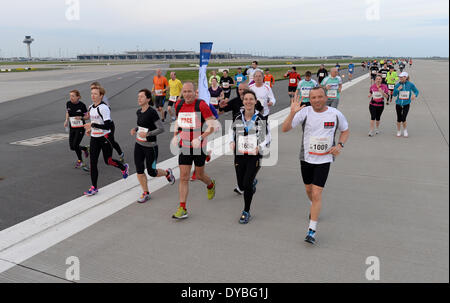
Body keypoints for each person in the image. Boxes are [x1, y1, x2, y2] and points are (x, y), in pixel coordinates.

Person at [282, 87, 349, 244]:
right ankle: (313, 206)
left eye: (320, 97)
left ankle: (311, 230)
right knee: (309, 190)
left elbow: (345, 131)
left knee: (317, 193)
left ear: (326, 97)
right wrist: (292, 112)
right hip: (306, 158)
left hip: (324, 160)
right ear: (309, 99)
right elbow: (284, 129)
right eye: (313, 97)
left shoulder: (335, 114)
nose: (317, 100)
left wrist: (339, 145)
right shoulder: (304, 113)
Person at [171, 82, 217, 219]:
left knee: (199, 174)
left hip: (199, 146)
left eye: (189, 91)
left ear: (194, 92)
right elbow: (179, 122)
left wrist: (201, 138)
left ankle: (210, 184)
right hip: (184, 146)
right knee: (184, 177)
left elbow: (212, 126)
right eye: (184, 92)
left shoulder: (201, 105)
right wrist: (175, 136)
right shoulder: (178, 104)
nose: (187, 94)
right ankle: (182, 207)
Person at [228, 90, 271, 224]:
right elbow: (231, 130)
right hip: (239, 154)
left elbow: (267, 137)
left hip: (254, 155)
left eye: (251, 99)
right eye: (246, 99)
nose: (248, 101)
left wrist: (261, 146)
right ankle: (251, 183)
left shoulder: (260, 118)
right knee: (241, 185)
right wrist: (231, 141)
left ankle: (246, 211)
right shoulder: (237, 116)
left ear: (255, 101)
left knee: (246, 185)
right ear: (243, 101)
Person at [131, 89, 175, 203]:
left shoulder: (152, 112)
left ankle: (167, 173)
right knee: (139, 170)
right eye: (138, 96)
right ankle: (146, 192)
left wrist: (148, 134)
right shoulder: (138, 112)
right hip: (139, 144)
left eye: (141, 96)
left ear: (148, 99)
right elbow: (142, 125)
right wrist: (135, 129)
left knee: (152, 172)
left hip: (151, 146)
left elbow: (161, 128)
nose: (139, 98)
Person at [83, 86, 129, 196]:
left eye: (95, 94)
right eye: (92, 93)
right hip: (94, 138)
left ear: (101, 96)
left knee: (107, 161)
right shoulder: (91, 107)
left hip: (104, 138)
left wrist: (92, 125)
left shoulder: (104, 108)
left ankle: (123, 167)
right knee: (93, 163)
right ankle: (94, 187)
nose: (92, 96)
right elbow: (94, 121)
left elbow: (108, 126)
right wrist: (90, 129)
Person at [89, 82, 125, 162]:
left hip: (108, 124)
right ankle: (108, 156)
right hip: (98, 127)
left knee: (111, 141)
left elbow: (107, 109)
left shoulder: (103, 99)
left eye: (94, 88)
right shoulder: (93, 101)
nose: (92, 92)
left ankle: (120, 153)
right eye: (91, 89)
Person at [64, 89, 89, 170]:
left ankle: (80, 161)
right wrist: (66, 120)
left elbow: (87, 116)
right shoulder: (68, 103)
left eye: (73, 96)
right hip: (72, 127)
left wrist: (81, 117)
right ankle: (85, 148)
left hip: (80, 128)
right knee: (72, 147)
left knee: (75, 145)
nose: (71, 97)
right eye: (70, 96)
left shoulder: (82, 105)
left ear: (78, 97)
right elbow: (68, 112)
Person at [393, 72, 419, 138]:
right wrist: (398, 89)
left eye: (402, 77)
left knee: (403, 118)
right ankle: (399, 131)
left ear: (406, 77)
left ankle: (405, 130)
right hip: (398, 104)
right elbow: (394, 94)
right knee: (399, 119)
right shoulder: (398, 84)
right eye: (400, 77)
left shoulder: (410, 84)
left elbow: (416, 91)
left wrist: (414, 95)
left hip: (406, 104)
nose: (400, 78)